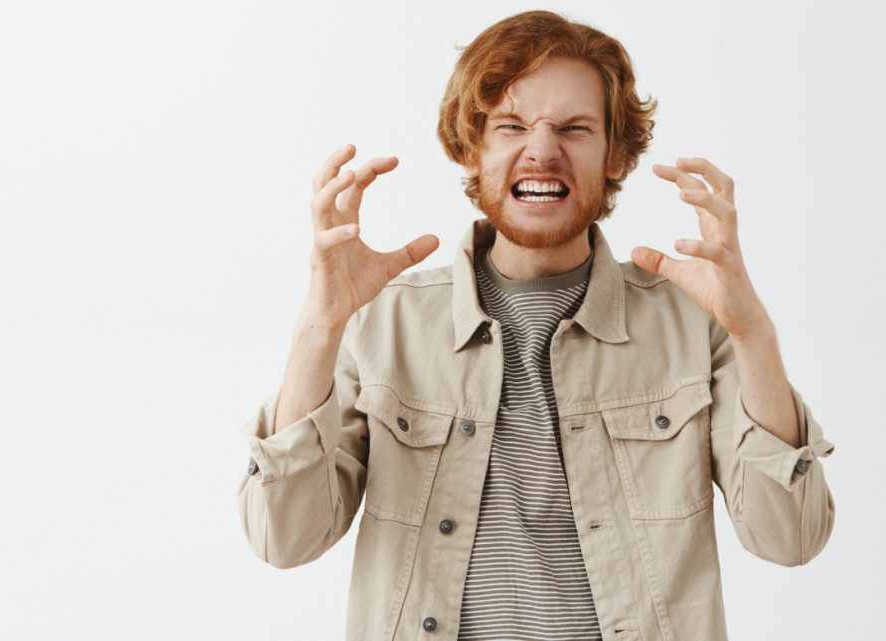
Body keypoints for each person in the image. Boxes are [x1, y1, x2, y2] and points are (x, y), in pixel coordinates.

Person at [236, 10, 834, 641]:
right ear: (473, 149)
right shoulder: (383, 322)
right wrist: (319, 327)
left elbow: (791, 538)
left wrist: (754, 333)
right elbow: (284, 538)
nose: (543, 151)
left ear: (616, 154)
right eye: (512, 126)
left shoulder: (695, 324)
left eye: (574, 128)